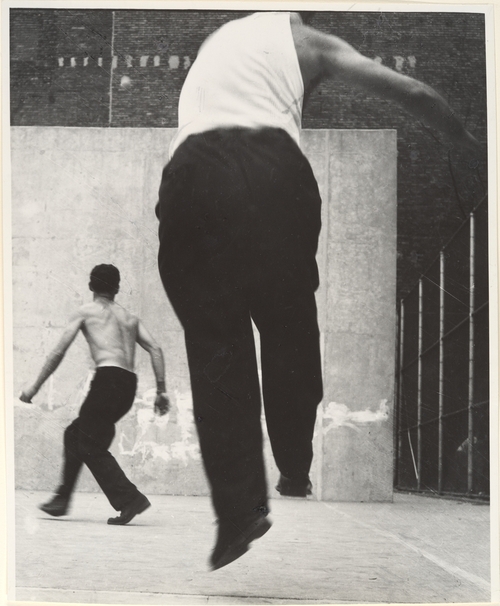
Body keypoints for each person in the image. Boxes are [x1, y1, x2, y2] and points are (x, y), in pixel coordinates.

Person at [155, 11, 482, 570]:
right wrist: (461, 135)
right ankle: (293, 464)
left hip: (187, 178)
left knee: (216, 347)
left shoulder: (216, 42)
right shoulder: (310, 42)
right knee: (287, 328)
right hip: (270, 167)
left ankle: (238, 511)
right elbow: (415, 89)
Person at [20, 264, 170, 525]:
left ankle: (129, 499)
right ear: (117, 288)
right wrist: (161, 391)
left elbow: (58, 352)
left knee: (89, 444)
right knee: (76, 434)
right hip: (127, 384)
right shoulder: (130, 318)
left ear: (91, 286)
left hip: (107, 380)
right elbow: (155, 349)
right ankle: (62, 499)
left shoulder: (86, 312)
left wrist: (34, 387)